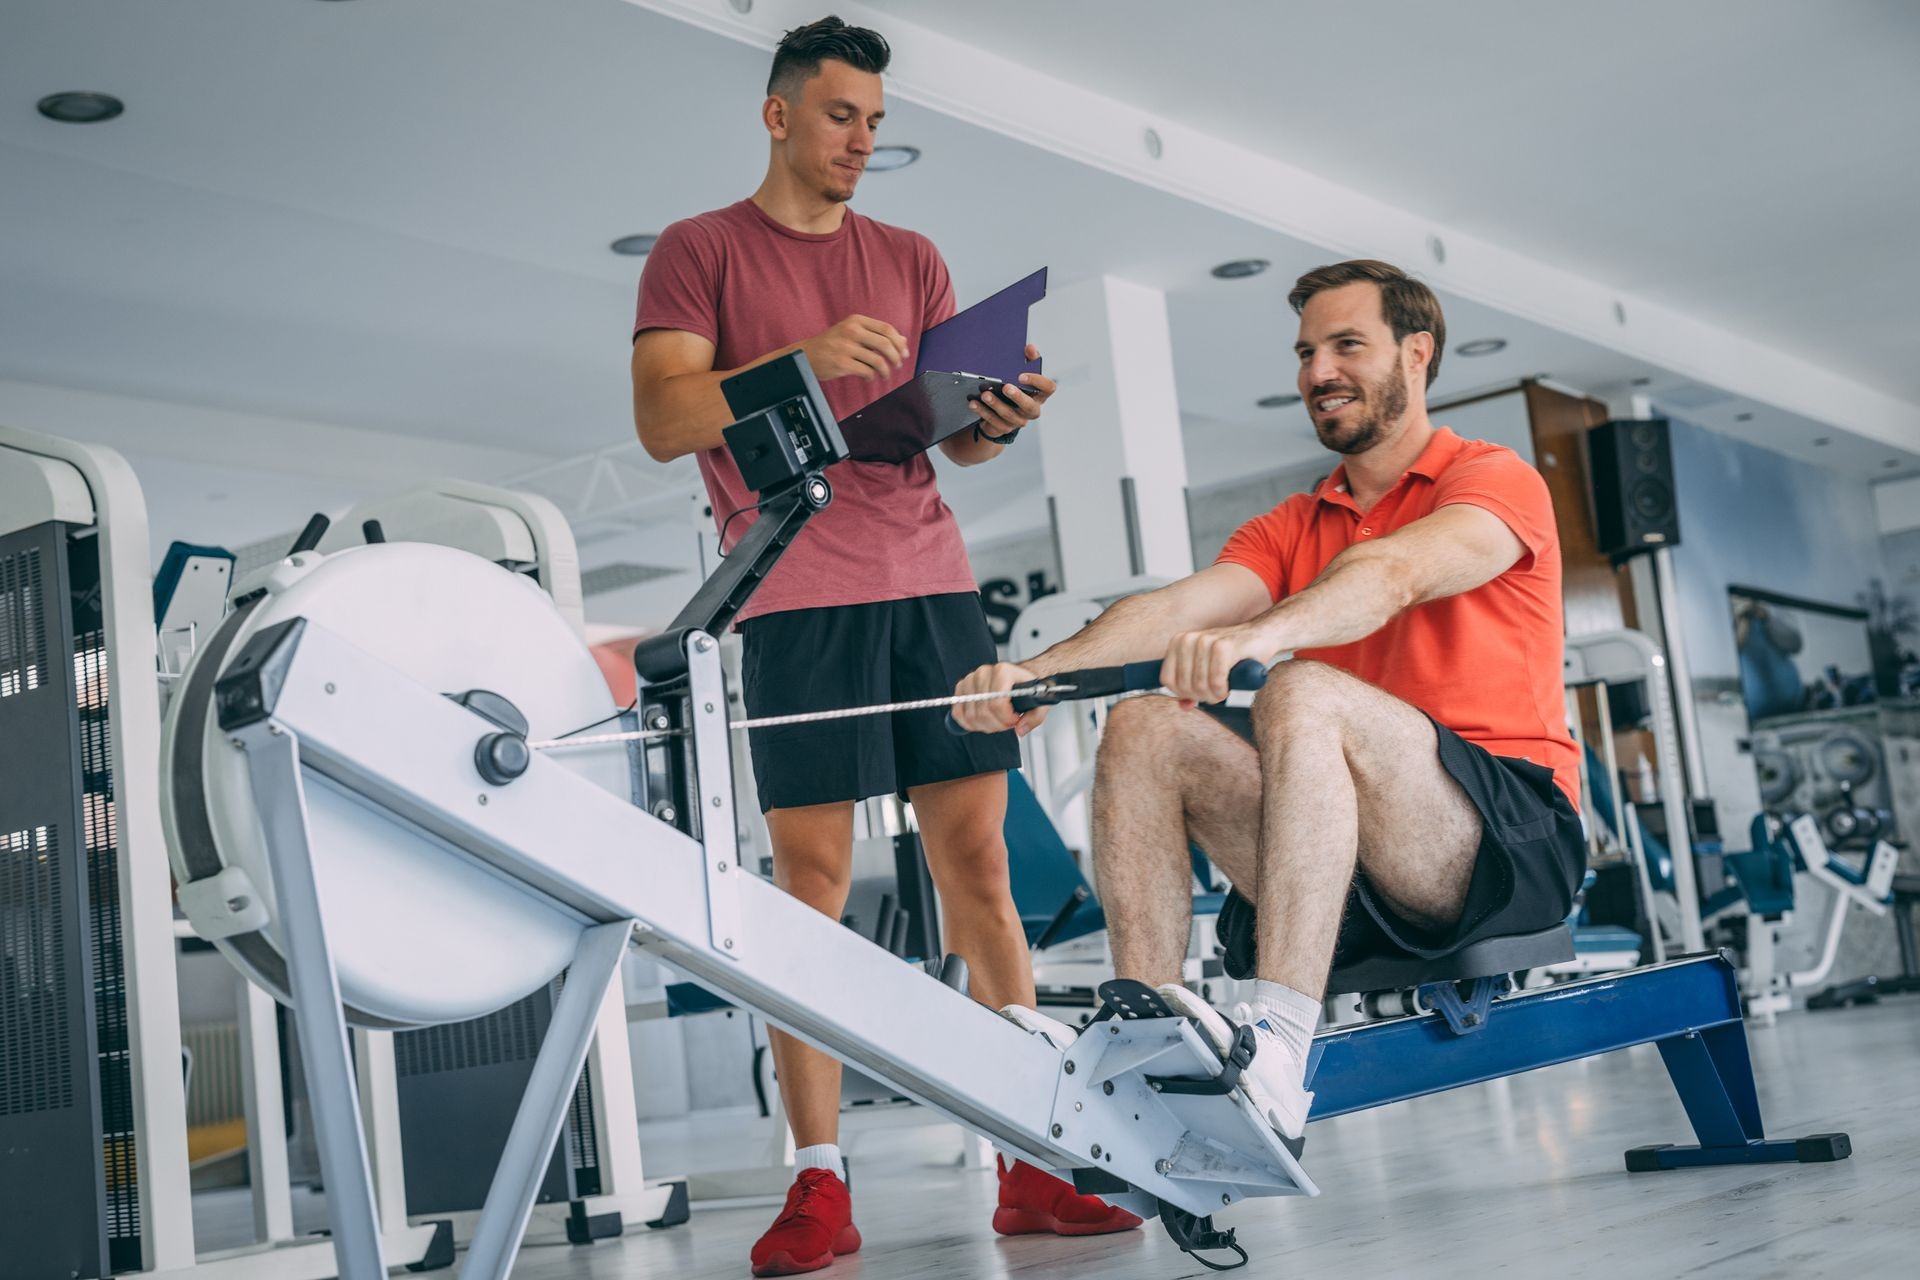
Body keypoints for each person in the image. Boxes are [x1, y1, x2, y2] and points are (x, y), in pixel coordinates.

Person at [629, 15, 1138, 1276]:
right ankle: (816, 1180)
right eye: (843, 115)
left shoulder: (909, 256)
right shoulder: (700, 252)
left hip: (930, 579)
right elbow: (662, 418)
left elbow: (945, 437)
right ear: (780, 113)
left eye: (876, 122)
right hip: (792, 588)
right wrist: (797, 358)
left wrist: (996, 421)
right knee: (808, 885)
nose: (862, 140)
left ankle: (1030, 1155)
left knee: (980, 861)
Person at [953, 258, 1585, 1149]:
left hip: (1504, 847)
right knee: (1144, 724)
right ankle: (1138, 1044)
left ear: (1416, 354)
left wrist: (1263, 636)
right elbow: (1169, 610)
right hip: (1339, 862)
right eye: (1305, 352)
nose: (1317, 371)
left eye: (1346, 345)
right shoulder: (1293, 522)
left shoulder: (1491, 479)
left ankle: (1280, 1050)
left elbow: (1392, 575)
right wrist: (1041, 672)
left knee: (1303, 693)